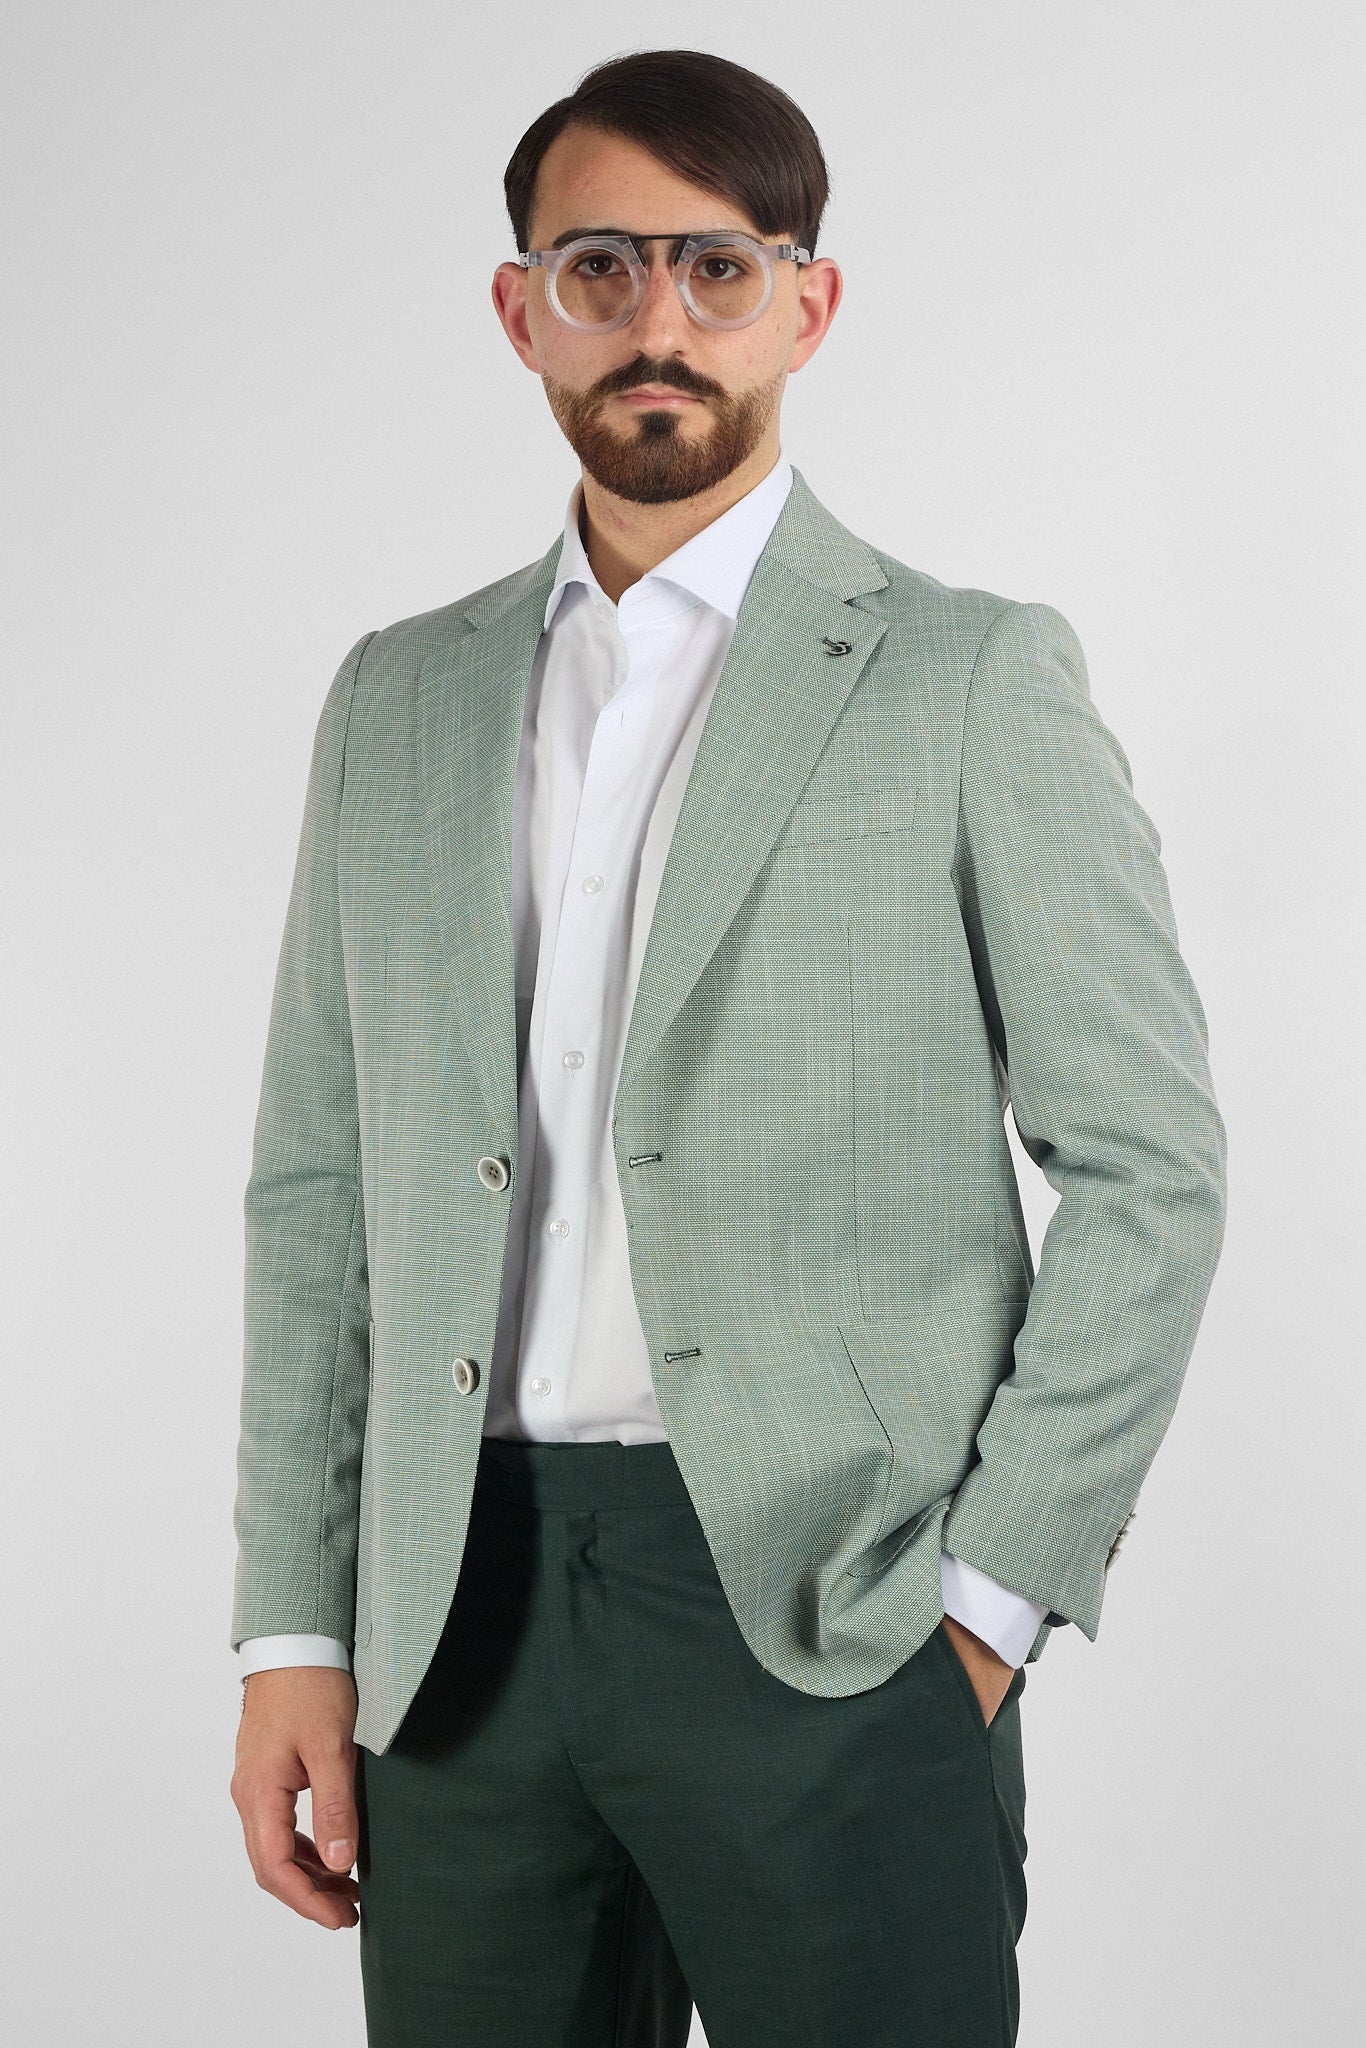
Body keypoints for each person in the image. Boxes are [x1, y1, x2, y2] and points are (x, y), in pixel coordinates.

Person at [230, 47, 1226, 2047]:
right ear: (519, 308)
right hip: (455, 1628)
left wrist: (987, 1602)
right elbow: (317, 1191)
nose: (657, 321)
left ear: (804, 303)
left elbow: (1147, 1171)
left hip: (836, 1614)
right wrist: (291, 1630)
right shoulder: (395, 700)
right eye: (597, 267)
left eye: (716, 265)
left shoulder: (966, 674)